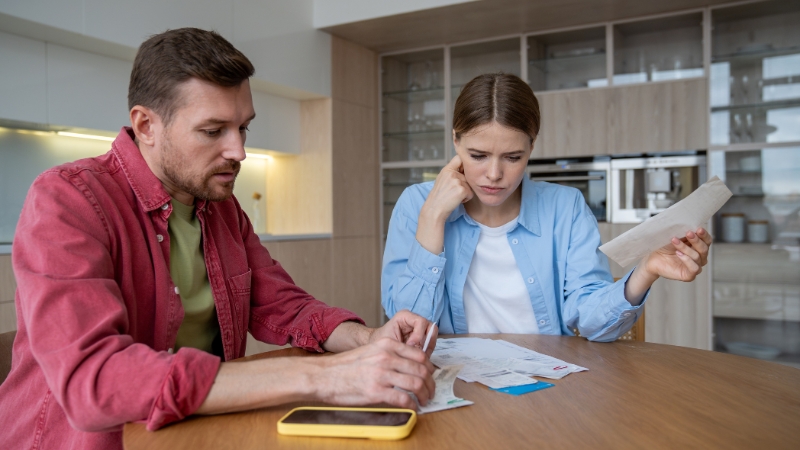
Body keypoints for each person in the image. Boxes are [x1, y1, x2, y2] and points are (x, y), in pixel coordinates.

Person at [0, 28, 437, 450]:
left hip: (192, 434)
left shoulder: (220, 206)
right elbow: (94, 379)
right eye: (213, 131)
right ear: (146, 125)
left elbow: (283, 304)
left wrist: (366, 341)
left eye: (243, 127)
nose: (239, 151)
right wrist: (327, 376)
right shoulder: (67, 199)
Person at [382, 73, 712, 341]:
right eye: (478, 155)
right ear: (456, 141)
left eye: (513, 157)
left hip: (547, 385)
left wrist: (646, 270)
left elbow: (593, 323)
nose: (494, 174)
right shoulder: (417, 204)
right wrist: (433, 217)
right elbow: (407, 328)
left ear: (532, 145)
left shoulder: (565, 208)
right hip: (453, 383)